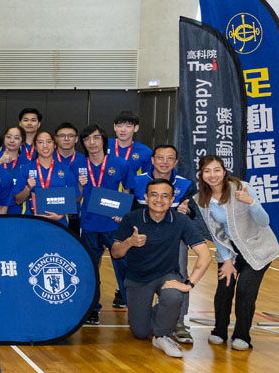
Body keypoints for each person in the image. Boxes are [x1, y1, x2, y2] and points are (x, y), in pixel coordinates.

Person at [109, 179, 212, 358]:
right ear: (146, 197)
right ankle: (157, 316)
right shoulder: (131, 218)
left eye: (165, 196)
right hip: (138, 277)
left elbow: (205, 255)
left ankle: (162, 335)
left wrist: (188, 284)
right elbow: (116, 253)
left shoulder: (181, 220)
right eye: (154, 195)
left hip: (167, 275)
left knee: (174, 296)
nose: (159, 200)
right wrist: (129, 242)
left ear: (172, 200)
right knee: (140, 332)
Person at [196, 155, 279, 350]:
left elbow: (264, 221)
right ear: (201, 174)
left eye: (217, 170)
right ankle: (219, 330)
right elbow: (215, 232)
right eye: (207, 171)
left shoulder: (242, 187)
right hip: (230, 250)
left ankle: (242, 335)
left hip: (257, 248)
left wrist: (251, 202)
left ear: (224, 172)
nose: (212, 175)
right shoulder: (201, 198)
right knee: (224, 288)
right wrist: (226, 260)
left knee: (245, 289)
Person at [127, 144, 200, 343]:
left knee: (180, 275)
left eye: (170, 158)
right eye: (160, 157)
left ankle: (179, 322)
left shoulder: (186, 184)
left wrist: (186, 211)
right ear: (152, 160)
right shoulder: (137, 181)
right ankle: (143, 314)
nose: (164, 162)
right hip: (143, 240)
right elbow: (129, 208)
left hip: (173, 240)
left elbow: (192, 212)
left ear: (176, 162)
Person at [77, 125, 131, 325]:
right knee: (91, 268)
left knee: (123, 267)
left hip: (114, 225)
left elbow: (128, 189)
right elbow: (76, 197)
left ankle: (133, 307)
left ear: (104, 140)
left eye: (96, 137)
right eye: (87, 139)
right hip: (89, 224)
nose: (91, 142)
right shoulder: (78, 165)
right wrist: (81, 186)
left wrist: (122, 213)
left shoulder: (120, 163)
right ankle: (92, 308)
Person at [15, 130, 72, 227]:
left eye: (49, 142)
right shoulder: (26, 169)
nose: (45, 146)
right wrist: (28, 188)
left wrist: (60, 216)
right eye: (40, 142)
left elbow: (75, 199)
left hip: (59, 224)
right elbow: (18, 200)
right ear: (35, 146)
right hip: (31, 223)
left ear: (54, 145)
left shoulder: (65, 169)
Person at [53, 122, 89, 235]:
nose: (66, 139)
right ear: (56, 139)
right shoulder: (47, 159)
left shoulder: (85, 161)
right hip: (52, 212)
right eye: (62, 136)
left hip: (77, 215)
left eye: (70, 136)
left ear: (76, 139)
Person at [110, 111, 153, 176]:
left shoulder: (145, 152)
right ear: (114, 127)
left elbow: (147, 177)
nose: (123, 130)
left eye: (128, 126)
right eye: (119, 126)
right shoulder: (103, 145)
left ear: (136, 128)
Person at [0, 126, 28, 215]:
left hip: (18, 212)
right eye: (8, 137)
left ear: (22, 142)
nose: (11, 141)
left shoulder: (27, 164)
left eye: (16, 138)